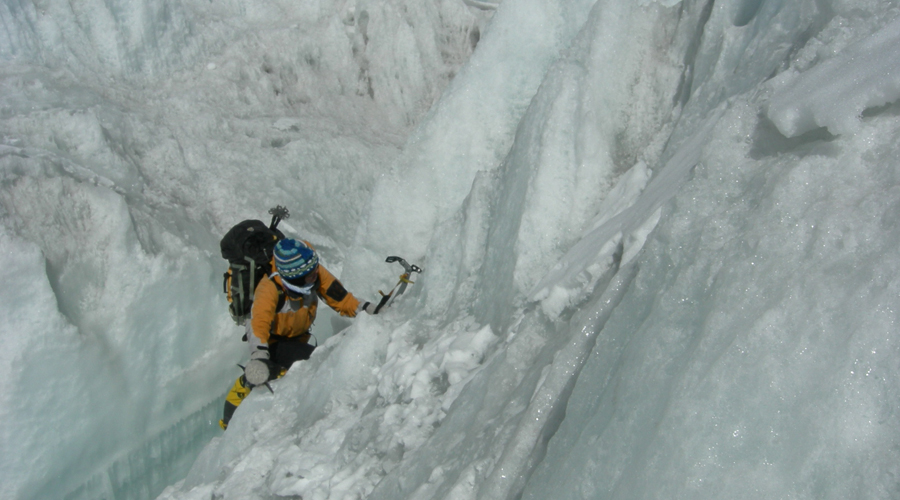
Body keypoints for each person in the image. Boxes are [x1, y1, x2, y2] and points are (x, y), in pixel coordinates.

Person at [219, 238, 375, 429]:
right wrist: (259, 356)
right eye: (309, 275)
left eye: (314, 270)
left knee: (305, 364)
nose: (315, 275)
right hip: (274, 343)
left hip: (299, 338)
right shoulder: (269, 288)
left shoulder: (312, 270)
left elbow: (341, 298)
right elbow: (257, 323)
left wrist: (367, 308)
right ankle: (234, 415)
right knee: (313, 363)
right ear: (294, 277)